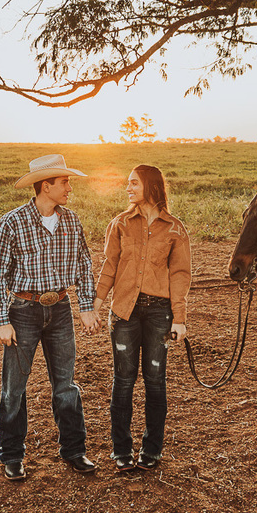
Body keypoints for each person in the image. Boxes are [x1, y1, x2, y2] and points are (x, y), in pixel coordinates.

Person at [0, 153, 101, 482]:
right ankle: (12, 455)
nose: (69, 188)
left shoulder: (71, 220)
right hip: (23, 312)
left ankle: (74, 450)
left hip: (61, 310)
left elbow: (83, 264)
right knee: (15, 387)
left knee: (66, 385)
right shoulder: (13, 222)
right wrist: (1, 320)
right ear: (45, 185)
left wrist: (86, 306)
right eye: (64, 182)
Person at [94, 164, 191, 472]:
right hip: (124, 311)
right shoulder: (120, 223)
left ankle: (152, 449)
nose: (128, 188)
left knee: (155, 382)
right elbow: (110, 265)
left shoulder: (175, 229)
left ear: (150, 186)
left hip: (160, 313)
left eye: (133, 183)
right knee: (123, 380)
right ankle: (120, 449)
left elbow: (180, 274)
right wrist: (96, 303)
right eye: (127, 183)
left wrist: (180, 317)